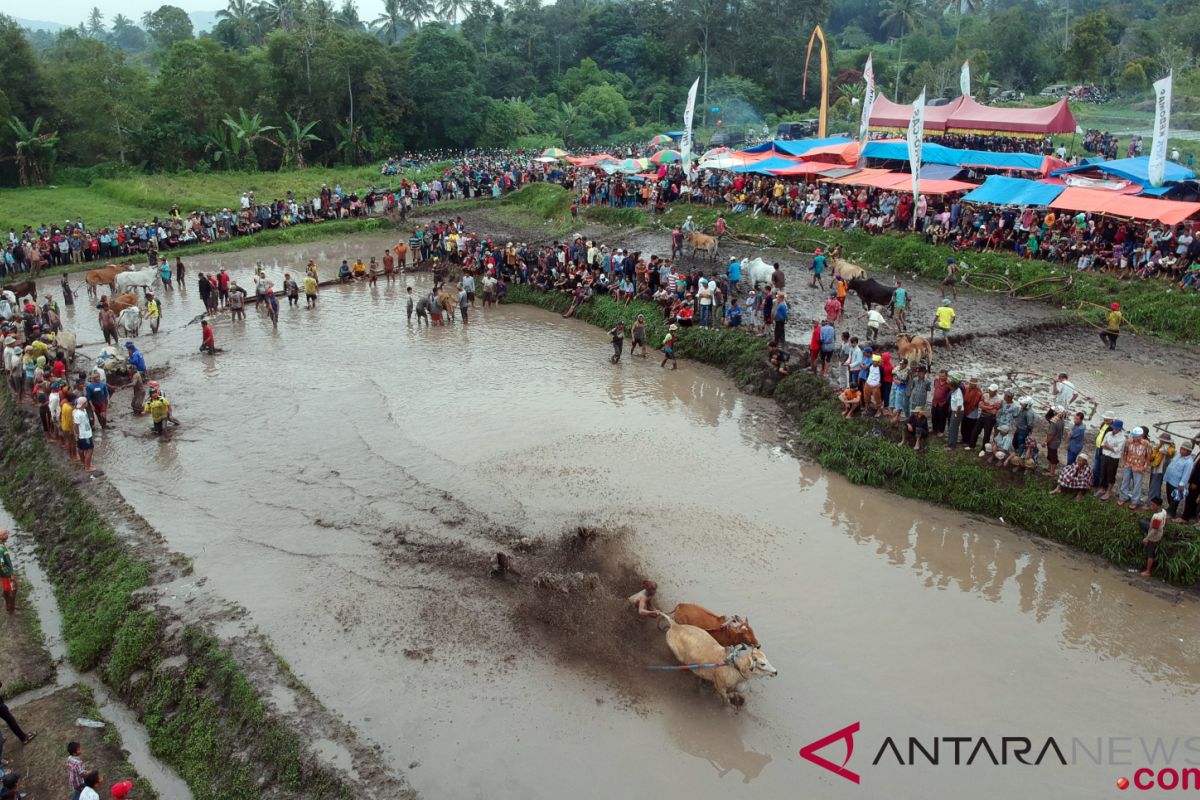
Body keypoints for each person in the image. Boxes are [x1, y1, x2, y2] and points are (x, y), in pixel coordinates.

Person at [1096, 419, 1127, 500]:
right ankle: (1102, 488)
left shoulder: (1122, 438)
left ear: (1119, 429)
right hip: (1105, 456)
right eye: (1113, 428)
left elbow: (1117, 450)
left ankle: (1108, 491)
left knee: (1111, 475)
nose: (1113, 430)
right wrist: (1111, 447)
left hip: (1113, 459)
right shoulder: (1108, 434)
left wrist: (1108, 446)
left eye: (1115, 428)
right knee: (1103, 472)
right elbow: (1103, 444)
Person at [1164, 441, 1194, 519]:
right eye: (1181, 448)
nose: (1182, 450)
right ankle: (1169, 509)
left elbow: (1186, 474)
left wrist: (1182, 484)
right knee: (1169, 496)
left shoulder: (1189, 462)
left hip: (1177, 483)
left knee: (1175, 499)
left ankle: (1171, 513)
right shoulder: (1178, 455)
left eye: (1184, 450)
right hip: (1170, 479)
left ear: (1189, 451)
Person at [1139, 497, 1167, 577]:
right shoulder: (1164, 511)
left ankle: (1148, 571)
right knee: (1142, 522)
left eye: (1153, 505)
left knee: (1150, 553)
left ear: (1158, 506)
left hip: (1155, 536)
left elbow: (1154, 530)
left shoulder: (1157, 517)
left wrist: (1147, 538)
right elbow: (1165, 520)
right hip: (1159, 529)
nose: (1151, 506)